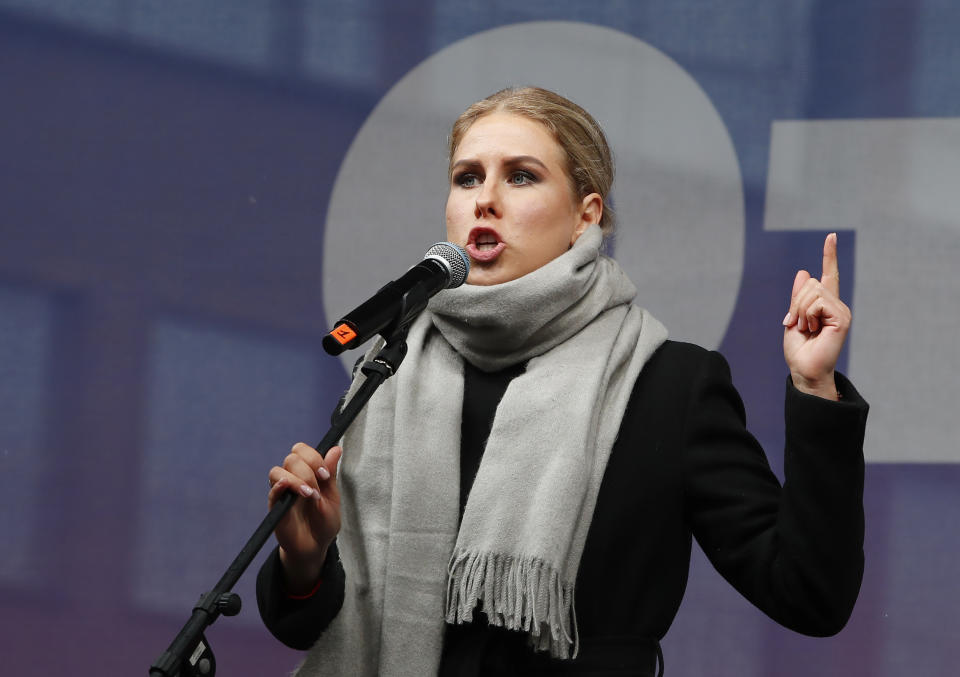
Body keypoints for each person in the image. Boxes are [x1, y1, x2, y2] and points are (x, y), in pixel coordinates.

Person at [257, 87, 868, 677]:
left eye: (520, 176)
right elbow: (302, 627)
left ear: (586, 217)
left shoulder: (669, 383)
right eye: (468, 177)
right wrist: (303, 563)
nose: (485, 199)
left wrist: (815, 388)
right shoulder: (389, 369)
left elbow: (809, 595)